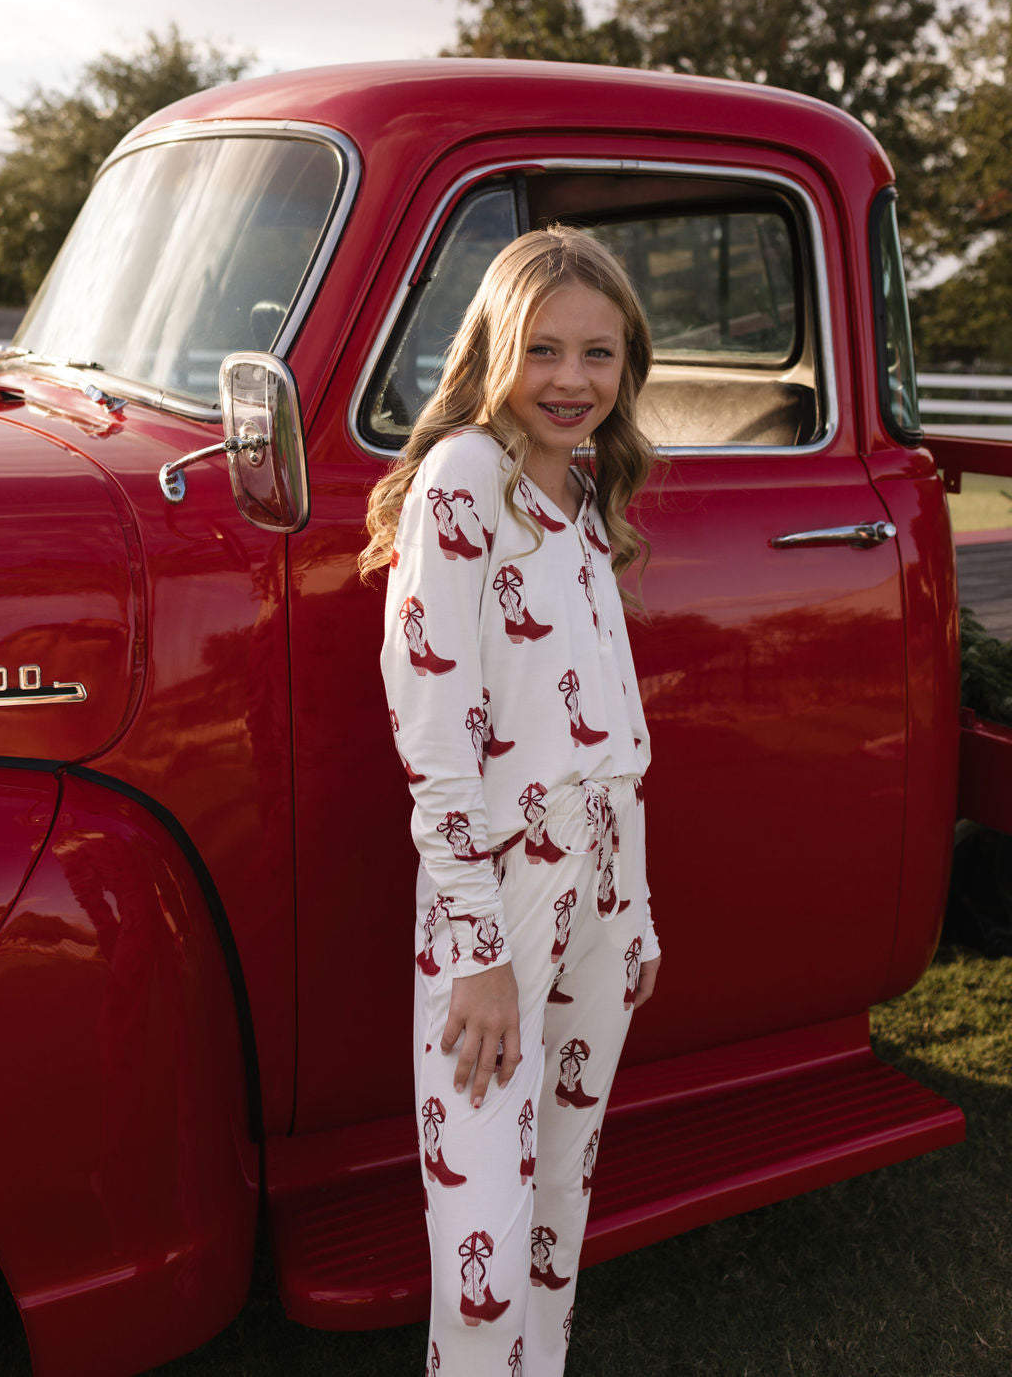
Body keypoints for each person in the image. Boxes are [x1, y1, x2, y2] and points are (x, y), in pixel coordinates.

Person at [361, 224, 661, 1376]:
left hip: (599, 889)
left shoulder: (578, 486)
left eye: (599, 352)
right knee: (482, 1235)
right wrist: (480, 948)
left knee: (554, 1222)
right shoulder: (464, 480)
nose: (573, 380)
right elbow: (433, 734)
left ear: (628, 360)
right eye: (543, 350)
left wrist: (633, 902)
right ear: (494, 349)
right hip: (496, 901)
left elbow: (608, 714)